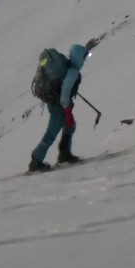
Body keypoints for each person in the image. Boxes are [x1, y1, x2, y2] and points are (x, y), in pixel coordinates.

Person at [29, 42, 88, 172]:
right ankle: (36, 160)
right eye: (84, 56)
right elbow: (65, 93)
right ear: (78, 56)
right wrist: (67, 112)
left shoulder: (66, 65)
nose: (85, 59)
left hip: (54, 102)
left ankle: (64, 154)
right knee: (53, 130)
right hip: (58, 105)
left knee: (70, 126)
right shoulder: (72, 72)